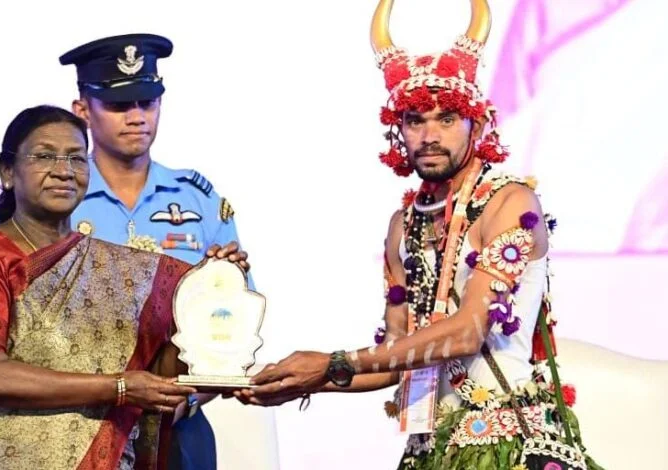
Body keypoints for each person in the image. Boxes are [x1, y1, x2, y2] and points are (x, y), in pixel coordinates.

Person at [235, 1, 603, 469]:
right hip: (429, 447)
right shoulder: (403, 224)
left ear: (477, 124)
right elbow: (396, 357)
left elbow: (468, 332)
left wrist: (332, 363)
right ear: (399, 131)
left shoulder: (510, 203)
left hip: (507, 443)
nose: (430, 135)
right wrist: (302, 381)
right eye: (415, 120)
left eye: (446, 119)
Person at [0, 105, 249, 470]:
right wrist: (120, 387)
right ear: (8, 172)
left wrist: (215, 289)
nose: (63, 170)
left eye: (77, 158)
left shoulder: (125, 269)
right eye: (44, 156)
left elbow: (164, 369)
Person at [58, 34, 251, 470]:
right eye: (118, 105)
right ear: (83, 110)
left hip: (178, 426)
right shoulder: (58, 199)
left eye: (147, 102)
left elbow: (233, 328)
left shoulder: (199, 200)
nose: (137, 117)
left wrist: (192, 396)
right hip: (78, 427)